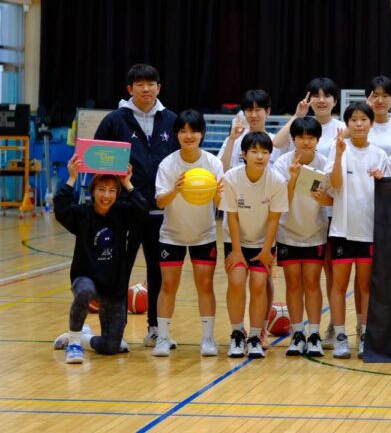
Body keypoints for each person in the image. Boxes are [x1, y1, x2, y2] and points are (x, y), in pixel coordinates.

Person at [93, 63, 178, 347]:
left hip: (161, 212)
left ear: (158, 88)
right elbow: (97, 163)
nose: (145, 89)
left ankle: (156, 329)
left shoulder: (171, 120)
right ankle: (115, 332)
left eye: (151, 83)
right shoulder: (114, 121)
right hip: (124, 213)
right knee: (118, 272)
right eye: (139, 84)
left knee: (158, 272)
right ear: (129, 89)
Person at [52, 159, 146, 363]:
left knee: (111, 347)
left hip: (113, 285)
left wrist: (127, 183)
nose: (106, 195)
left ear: (117, 194)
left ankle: (83, 338)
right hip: (85, 277)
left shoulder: (122, 213)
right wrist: (72, 178)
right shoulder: (82, 215)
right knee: (84, 291)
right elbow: (60, 210)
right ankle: (74, 343)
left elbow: (143, 210)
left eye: (112, 190)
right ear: (93, 191)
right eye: (101, 190)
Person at [152, 110, 224, 357]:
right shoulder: (168, 164)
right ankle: (163, 337)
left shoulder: (213, 163)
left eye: (193, 131)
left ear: (202, 133)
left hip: (204, 234)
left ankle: (208, 339)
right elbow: (160, 202)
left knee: (205, 285)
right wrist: (175, 189)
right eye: (183, 131)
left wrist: (217, 193)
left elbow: (221, 202)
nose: (188, 135)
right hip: (172, 235)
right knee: (168, 285)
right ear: (176, 135)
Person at [220, 132, 289, 359]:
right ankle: (237, 334)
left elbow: (274, 219)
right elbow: (231, 217)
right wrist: (236, 251)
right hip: (236, 241)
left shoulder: (277, 180)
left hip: (263, 242)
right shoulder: (231, 178)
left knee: (259, 284)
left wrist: (267, 250)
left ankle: (255, 337)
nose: (260, 156)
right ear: (244, 154)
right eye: (254, 151)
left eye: (265, 152)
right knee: (236, 281)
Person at [327, 102, 388, 359]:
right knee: (339, 285)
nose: (359, 123)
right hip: (341, 230)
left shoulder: (380, 155)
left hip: (369, 230)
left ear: (371, 123)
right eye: (353, 119)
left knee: (365, 285)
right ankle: (340, 336)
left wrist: (381, 178)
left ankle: (364, 335)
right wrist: (338, 156)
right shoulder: (338, 149)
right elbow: (334, 186)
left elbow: (388, 192)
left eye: (363, 119)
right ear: (347, 124)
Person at [272, 116, 333, 357]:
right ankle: (298, 334)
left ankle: (314, 334)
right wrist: (293, 179)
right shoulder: (282, 164)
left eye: (310, 137)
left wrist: (324, 199)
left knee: (312, 283)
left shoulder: (326, 164)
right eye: (300, 137)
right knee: (293, 283)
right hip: (287, 233)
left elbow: (333, 200)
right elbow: (280, 202)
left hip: (315, 233)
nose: (305, 142)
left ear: (318, 140)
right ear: (293, 139)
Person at [273, 77, 345, 159]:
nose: (321, 100)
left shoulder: (343, 128)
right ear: (309, 100)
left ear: (335, 101)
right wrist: (297, 115)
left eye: (327, 96)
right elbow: (277, 144)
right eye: (316, 96)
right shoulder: (301, 124)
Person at [218, 89, 280, 172]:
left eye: (257, 110)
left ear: (268, 112)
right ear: (244, 113)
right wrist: (231, 140)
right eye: (249, 110)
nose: (253, 115)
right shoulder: (234, 139)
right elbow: (221, 171)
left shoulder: (276, 141)